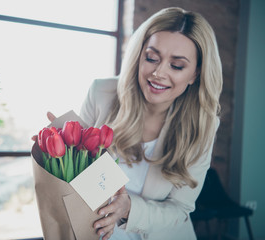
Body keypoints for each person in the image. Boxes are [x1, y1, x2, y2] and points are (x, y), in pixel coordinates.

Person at [76, 7, 223, 240]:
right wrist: (60, 151)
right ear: (139, 55)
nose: (158, 73)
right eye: (152, 58)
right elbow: (75, 175)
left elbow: (180, 209)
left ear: (195, 74)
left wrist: (128, 209)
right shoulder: (101, 93)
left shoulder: (203, 125)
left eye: (176, 66)